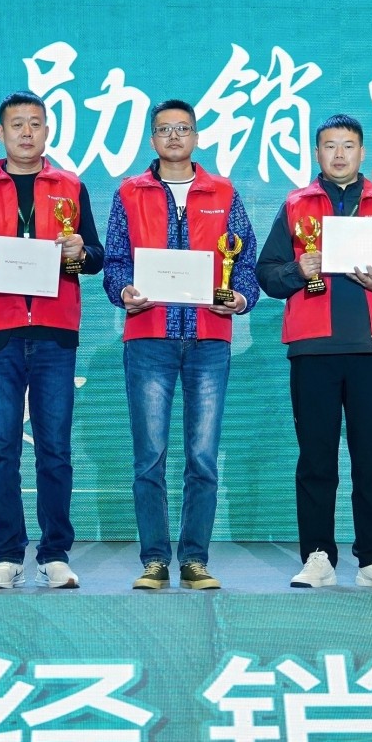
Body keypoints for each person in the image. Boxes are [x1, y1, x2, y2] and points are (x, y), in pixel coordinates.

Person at [0, 92, 104, 590]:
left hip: (55, 333)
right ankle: (7, 555)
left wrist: (79, 253)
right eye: (17, 124)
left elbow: (95, 257)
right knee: (0, 448)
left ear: (47, 131)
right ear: (1, 133)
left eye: (35, 123)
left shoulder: (70, 186)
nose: (26, 132)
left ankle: (55, 555)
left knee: (54, 449)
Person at [257, 114, 372, 590]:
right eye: (329, 145)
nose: (339, 154)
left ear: (362, 152)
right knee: (316, 459)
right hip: (313, 347)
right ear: (317, 153)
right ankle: (317, 556)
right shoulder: (296, 204)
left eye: (348, 145)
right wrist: (297, 269)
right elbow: (266, 273)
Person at [103, 99, 260, 591]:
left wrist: (240, 298)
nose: (174, 137)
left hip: (209, 338)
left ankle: (195, 559)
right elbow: (115, 260)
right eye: (165, 129)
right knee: (149, 457)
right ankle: (154, 559)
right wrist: (123, 291)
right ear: (153, 139)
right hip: (148, 335)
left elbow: (245, 261)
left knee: (203, 458)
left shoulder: (224, 192)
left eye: (183, 128)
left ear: (196, 136)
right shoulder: (130, 192)